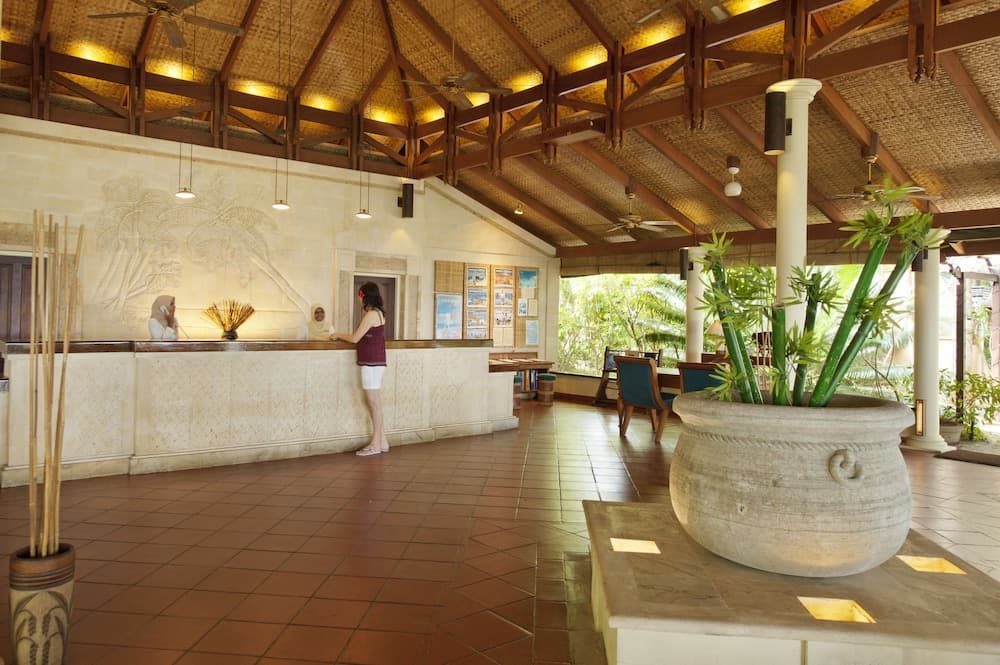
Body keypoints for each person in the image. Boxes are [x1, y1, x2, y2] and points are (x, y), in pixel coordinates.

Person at [330, 282, 388, 456]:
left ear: (364, 296)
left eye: (359, 295)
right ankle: (382, 441)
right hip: (375, 363)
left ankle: (375, 445)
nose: (358, 299)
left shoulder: (371, 314)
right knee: (374, 403)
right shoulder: (377, 313)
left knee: (373, 403)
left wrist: (337, 334)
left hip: (372, 364)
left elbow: (355, 338)